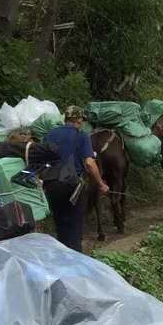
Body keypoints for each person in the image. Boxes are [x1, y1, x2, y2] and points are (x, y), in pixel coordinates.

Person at [43, 105, 108, 252]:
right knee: (75, 224)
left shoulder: (50, 134)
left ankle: (62, 256)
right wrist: (100, 183)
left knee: (60, 223)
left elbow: (42, 159)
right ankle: (76, 257)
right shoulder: (81, 135)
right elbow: (89, 163)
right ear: (79, 120)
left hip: (51, 185)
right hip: (72, 186)